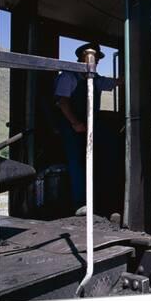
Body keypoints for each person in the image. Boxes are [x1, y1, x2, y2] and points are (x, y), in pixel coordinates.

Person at [54, 42, 119, 216]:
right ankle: (80, 203)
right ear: (81, 58)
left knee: (106, 153)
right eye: (91, 58)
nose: (95, 61)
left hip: (90, 124)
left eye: (96, 59)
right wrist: (75, 123)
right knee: (77, 162)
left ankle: (104, 198)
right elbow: (63, 102)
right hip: (71, 125)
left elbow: (113, 83)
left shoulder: (96, 78)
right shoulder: (68, 76)